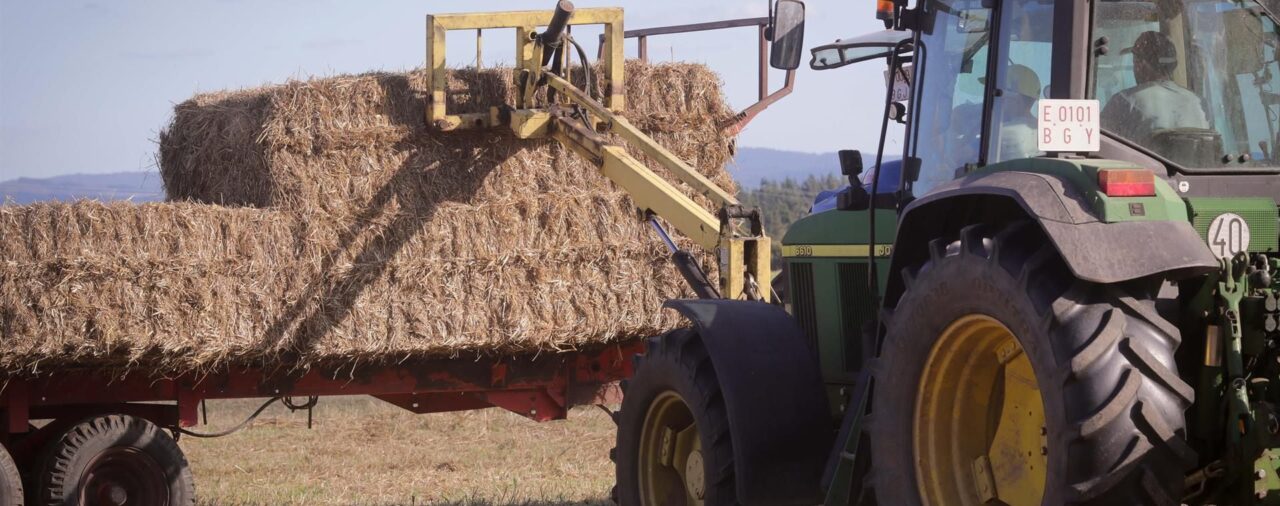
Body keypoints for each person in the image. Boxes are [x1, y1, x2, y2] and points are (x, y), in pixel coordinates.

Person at [1100, 31, 1209, 147]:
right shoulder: (1200, 104)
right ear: (1174, 65)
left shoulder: (1123, 102)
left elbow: (1100, 146)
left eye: (1134, 61)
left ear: (1140, 64)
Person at [994, 64, 1043, 160]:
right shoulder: (1041, 129)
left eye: (998, 94)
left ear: (1014, 97)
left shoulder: (1004, 133)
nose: (996, 100)